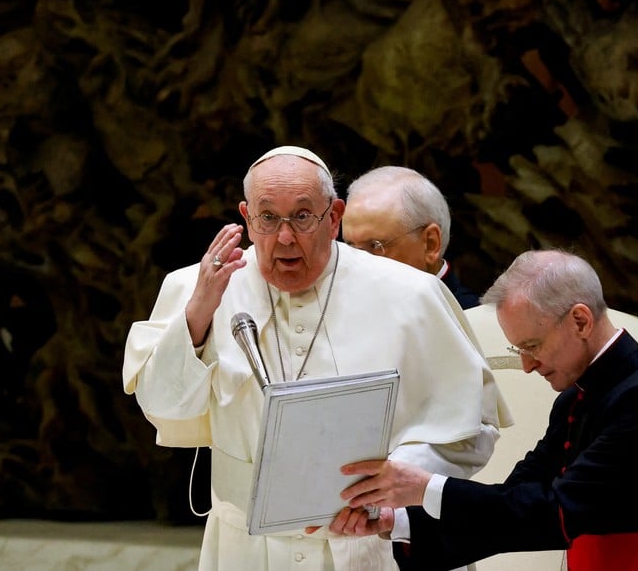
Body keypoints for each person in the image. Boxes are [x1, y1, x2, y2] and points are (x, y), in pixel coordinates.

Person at [122, 146, 511, 570]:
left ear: (334, 217)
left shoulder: (411, 294)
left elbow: (472, 425)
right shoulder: (200, 289)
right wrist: (198, 316)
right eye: (268, 217)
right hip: (246, 547)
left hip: (374, 543)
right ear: (247, 218)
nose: (285, 237)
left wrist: (391, 486)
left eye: (303, 216)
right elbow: (162, 408)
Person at [326, 249, 638, 571]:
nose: (527, 366)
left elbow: (558, 513)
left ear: (580, 320)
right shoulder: (576, 397)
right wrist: (396, 520)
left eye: (532, 346)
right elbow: (515, 501)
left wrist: (425, 487)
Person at [341, 166, 479, 309]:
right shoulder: (349, 307)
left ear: (430, 244)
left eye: (374, 245)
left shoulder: (472, 318)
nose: (357, 267)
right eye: (351, 248)